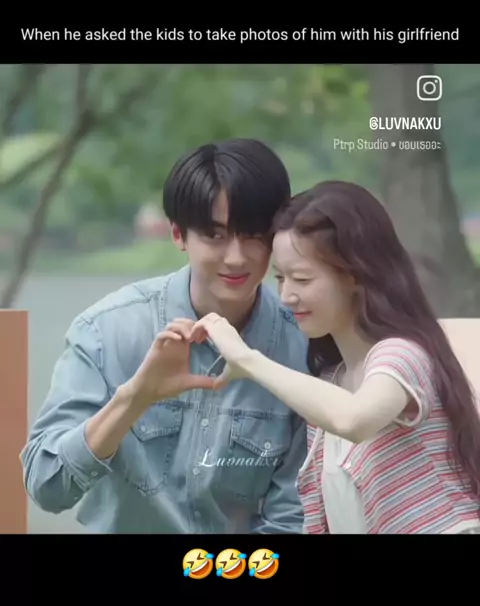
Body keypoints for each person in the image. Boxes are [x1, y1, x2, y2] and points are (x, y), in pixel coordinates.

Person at [21, 139, 310, 534]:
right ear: (178, 234)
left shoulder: (304, 347)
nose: (237, 257)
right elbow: (47, 486)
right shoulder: (108, 331)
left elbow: (291, 519)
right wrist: (135, 397)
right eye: (215, 235)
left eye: (254, 234)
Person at [177, 180, 480, 534]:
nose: (286, 296)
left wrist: (247, 359)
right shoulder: (329, 384)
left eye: (302, 279)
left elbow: (353, 420)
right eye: (281, 278)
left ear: (355, 275)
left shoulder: (402, 354)